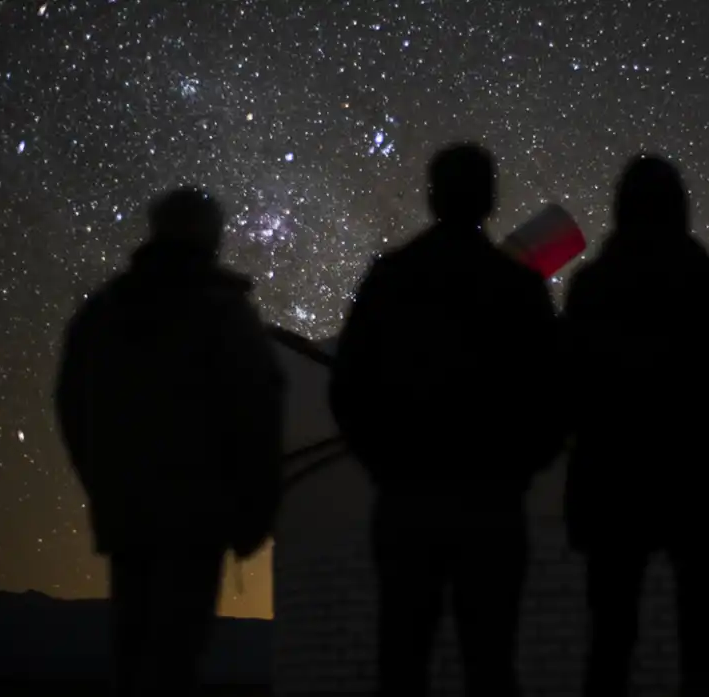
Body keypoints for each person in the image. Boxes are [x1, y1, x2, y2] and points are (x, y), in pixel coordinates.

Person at [329, 143, 567, 697]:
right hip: (492, 502)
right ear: (491, 198)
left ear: (431, 196)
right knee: (490, 660)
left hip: (408, 499)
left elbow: (350, 387)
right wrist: (519, 469)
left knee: (403, 658)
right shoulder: (519, 287)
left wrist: (385, 467)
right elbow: (554, 390)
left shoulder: (392, 277)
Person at [54, 187, 284, 697]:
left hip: (128, 516)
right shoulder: (224, 314)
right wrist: (254, 513)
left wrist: (103, 484)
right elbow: (258, 412)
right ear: (211, 236)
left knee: (133, 653)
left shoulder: (103, 314)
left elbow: (72, 407)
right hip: (198, 519)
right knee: (177, 656)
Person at [562, 155, 709, 697]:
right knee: (704, 643)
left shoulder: (592, 285)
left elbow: (570, 377)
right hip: (701, 472)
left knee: (611, 641)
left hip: (612, 475)